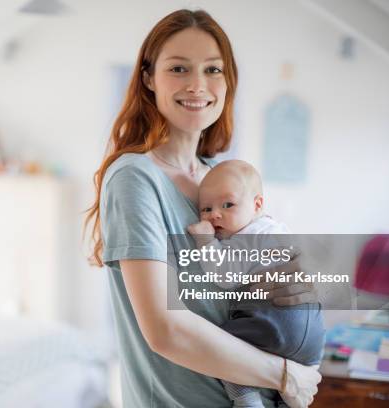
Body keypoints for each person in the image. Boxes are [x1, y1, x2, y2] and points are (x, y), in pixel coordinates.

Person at [84, 9, 321, 408]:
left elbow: (241, 285)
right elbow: (164, 330)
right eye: (178, 68)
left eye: (213, 70)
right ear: (148, 78)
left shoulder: (218, 179)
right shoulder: (135, 177)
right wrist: (285, 375)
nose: (197, 84)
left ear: (227, 82)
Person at [187, 159, 325, 407]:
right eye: (206, 209)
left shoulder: (249, 236)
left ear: (257, 204)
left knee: (222, 347)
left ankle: (246, 399)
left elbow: (225, 277)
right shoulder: (276, 228)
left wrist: (206, 242)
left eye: (228, 205)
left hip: (276, 325)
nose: (215, 214)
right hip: (312, 339)